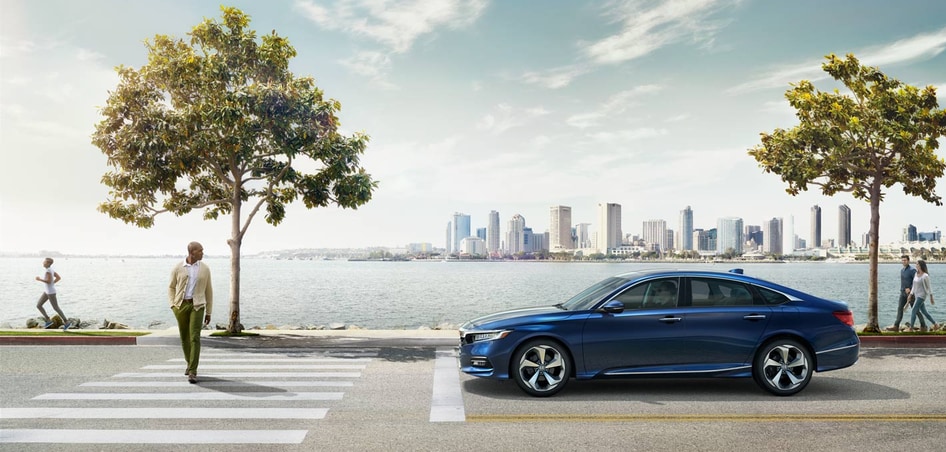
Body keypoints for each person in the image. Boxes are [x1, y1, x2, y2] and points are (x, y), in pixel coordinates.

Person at [168, 241, 213, 384]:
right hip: (181, 306)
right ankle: (189, 363)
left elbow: (209, 290)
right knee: (184, 337)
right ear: (192, 252)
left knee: (195, 337)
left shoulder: (205, 269)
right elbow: (171, 287)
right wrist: (172, 305)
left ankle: (193, 371)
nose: (202, 253)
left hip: (198, 306)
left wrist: (209, 312)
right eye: (200, 251)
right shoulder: (178, 267)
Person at [35, 257, 70, 331]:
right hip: (47, 291)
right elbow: (58, 278)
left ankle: (66, 322)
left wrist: (39, 279)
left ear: (48, 263)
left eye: (44, 262)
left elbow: (48, 281)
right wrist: (52, 284)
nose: (43, 263)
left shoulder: (48, 270)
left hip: (51, 292)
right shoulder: (50, 270)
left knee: (56, 307)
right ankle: (48, 320)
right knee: (39, 305)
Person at [886, 255, 920, 332]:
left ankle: (923, 325)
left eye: (905, 260)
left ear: (908, 261)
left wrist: (910, 289)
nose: (903, 261)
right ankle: (896, 326)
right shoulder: (902, 270)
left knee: (915, 310)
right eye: (902, 260)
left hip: (910, 294)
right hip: (902, 293)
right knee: (900, 309)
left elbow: (916, 282)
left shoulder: (912, 270)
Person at [905, 259, 938, 332]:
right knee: (924, 312)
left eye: (917, 264)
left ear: (920, 265)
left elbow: (929, 287)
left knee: (914, 310)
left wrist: (931, 297)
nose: (915, 265)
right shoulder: (916, 274)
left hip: (922, 296)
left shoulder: (925, 276)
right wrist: (910, 294)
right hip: (916, 295)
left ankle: (911, 328)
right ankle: (935, 324)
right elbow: (914, 286)